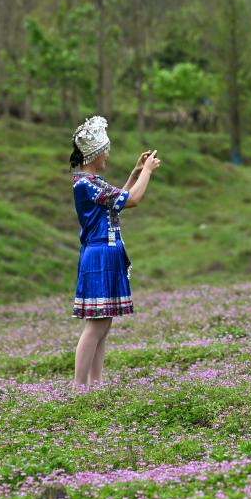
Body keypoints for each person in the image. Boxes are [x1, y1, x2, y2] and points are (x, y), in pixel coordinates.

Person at [69, 116, 160, 388]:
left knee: (103, 325)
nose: (108, 154)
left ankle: (95, 384)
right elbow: (131, 200)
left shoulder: (92, 182)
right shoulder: (88, 184)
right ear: (95, 153)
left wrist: (135, 172)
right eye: (106, 150)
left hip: (105, 253)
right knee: (96, 325)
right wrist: (148, 172)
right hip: (99, 255)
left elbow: (119, 197)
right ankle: (79, 386)